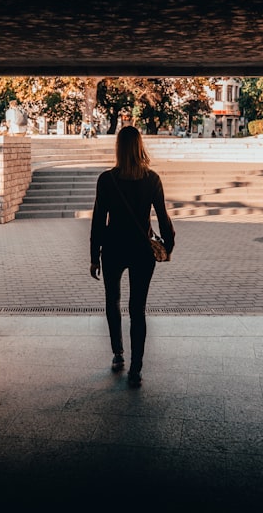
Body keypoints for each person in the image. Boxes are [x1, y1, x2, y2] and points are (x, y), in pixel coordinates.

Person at [89, 126, 174, 388]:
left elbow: (97, 221)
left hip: (113, 248)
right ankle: (136, 368)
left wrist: (94, 256)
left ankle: (118, 354)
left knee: (112, 301)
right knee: (138, 309)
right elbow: (162, 216)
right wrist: (167, 246)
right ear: (140, 146)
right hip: (141, 250)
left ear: (118, 148)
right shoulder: (152, 179)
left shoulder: (106, 179)